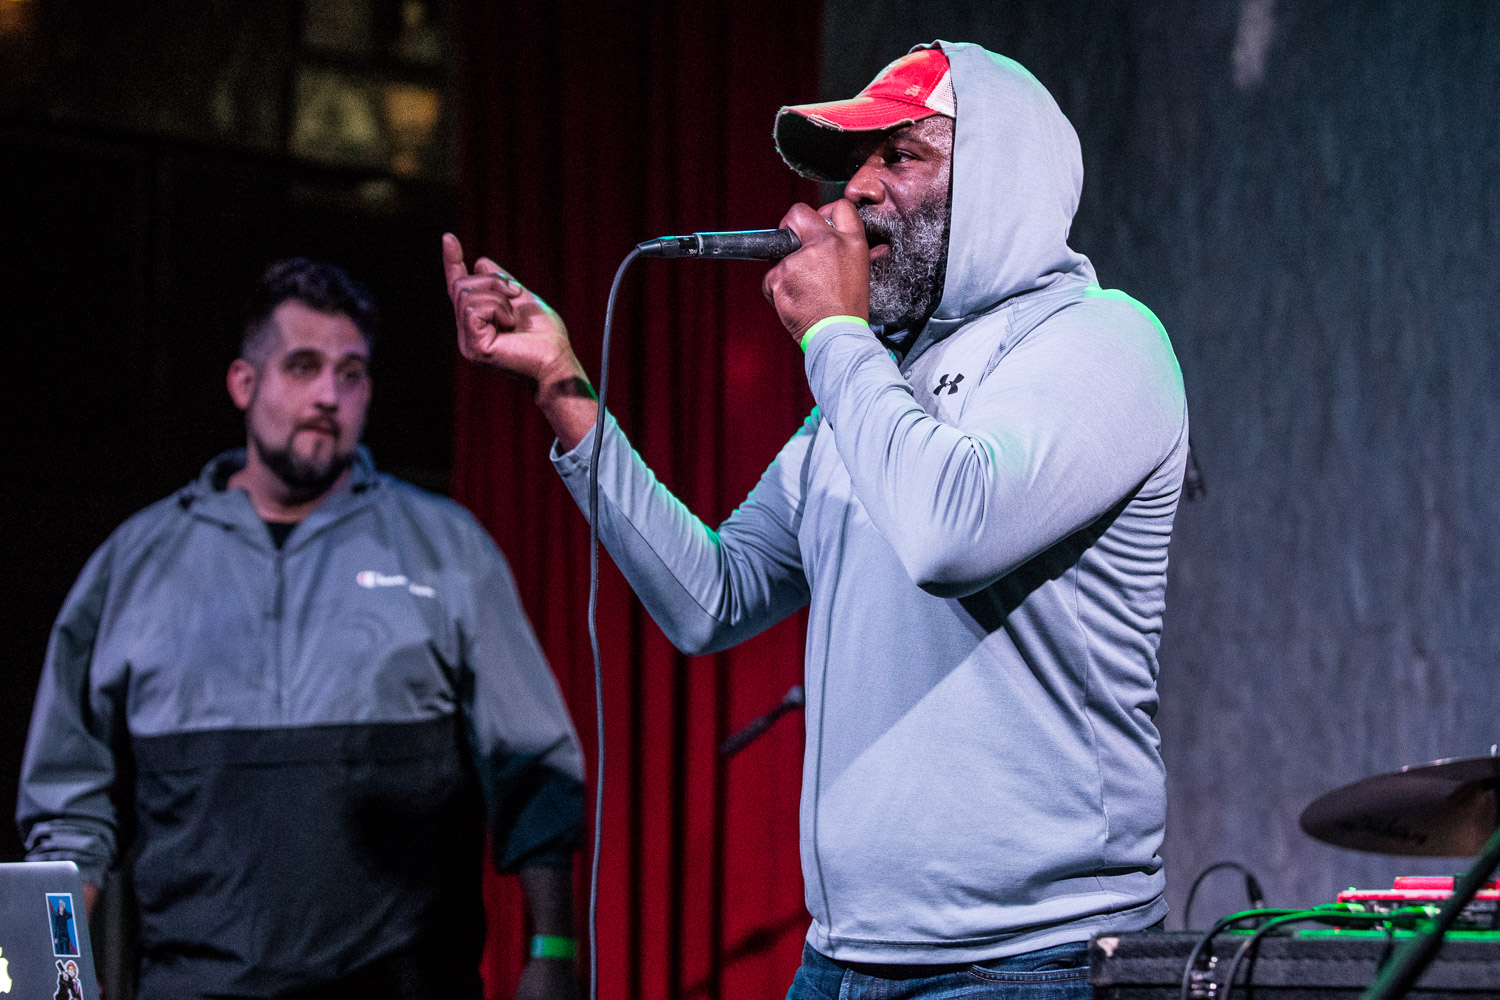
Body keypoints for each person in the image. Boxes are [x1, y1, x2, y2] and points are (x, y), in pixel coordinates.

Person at [443, 41, 1187, 1000]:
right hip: (844, 957)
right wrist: (563, 388)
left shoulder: (1103, 340)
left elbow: (951, 532)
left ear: (1002, 181)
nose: (856, 194)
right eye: (855, 164)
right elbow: (712, 596)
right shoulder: (872, 382)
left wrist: (834, 335)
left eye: (901, 156)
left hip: (1032, 958)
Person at [17, 259, 586, 1000]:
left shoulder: (447, 551)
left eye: (351, 374)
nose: (329, 395)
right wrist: (36, 983)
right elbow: (65, 817)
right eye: (304, 366)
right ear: (244, 385)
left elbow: (533, 772)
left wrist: (555, 952)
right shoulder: (135, 565)